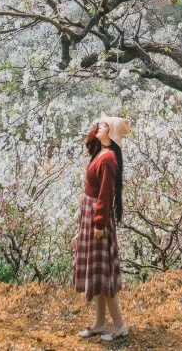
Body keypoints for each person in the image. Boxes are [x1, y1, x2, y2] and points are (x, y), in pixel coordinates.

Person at [72, 114, 131, 342]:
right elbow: (88, 141)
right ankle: (99, 323)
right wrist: (100, 124)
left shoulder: (108, 159)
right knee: (96, 273)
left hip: (98, 217)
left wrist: (98, 224)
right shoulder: (100, 151)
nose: (99, 127)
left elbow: (106, 195)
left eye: (104, 125)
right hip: (92, 213)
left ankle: (118, 326)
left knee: (102, 273)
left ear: (111, 133)